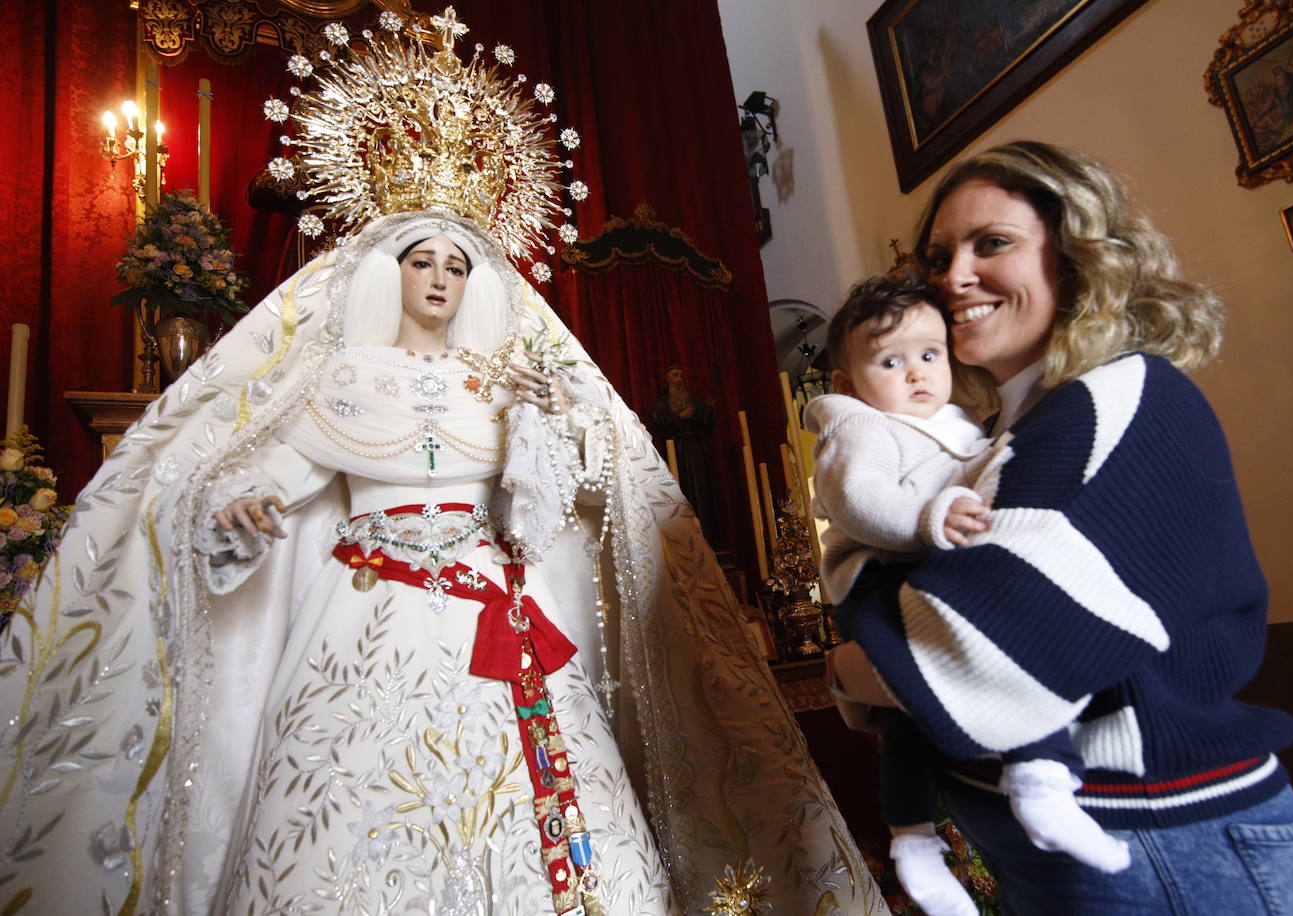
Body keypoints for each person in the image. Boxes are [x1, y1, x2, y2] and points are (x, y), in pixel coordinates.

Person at [0, 13, 890, 916]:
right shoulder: (342, 379)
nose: (438, 278)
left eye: (457, 265)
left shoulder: (509, 381)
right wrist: (242, 506)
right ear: (387, 272)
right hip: (365, 610)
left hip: (495, 605)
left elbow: (546, 518)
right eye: (421, 260)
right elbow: (276, 480)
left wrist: (545, 425)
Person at [827, 140, 1293, 915]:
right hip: (1095, 849)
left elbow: (969, 650)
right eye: (938, 255)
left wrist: (846, 664)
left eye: (992, 243)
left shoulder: (1117, 398)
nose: (952, 277)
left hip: (1162, 839)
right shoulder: (1013, 428)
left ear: (1080, 256)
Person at [805, 273, 1128, 916]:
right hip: (877, 573)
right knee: (975, 654)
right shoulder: (857, 425)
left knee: (907, 723)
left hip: (919, 561)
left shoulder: (952, 423)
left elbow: (979, 473)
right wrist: (930, 518)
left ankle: (929, 835)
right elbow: (859, 501)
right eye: (891, 361)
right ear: (847, 384)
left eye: (930, 355)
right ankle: (962, 819)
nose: (917, 374)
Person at [649, 366, 718, 544]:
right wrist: (680, 417)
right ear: (667, 379)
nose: (679, 379)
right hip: (677, 451)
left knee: (701, 491)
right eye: (675, 375)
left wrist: (709, 408)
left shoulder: (691, 401)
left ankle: (708, 534)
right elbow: (660, 425)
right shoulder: (663, 405)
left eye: (681, 375)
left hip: (696, 451)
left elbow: (706, 424)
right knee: (684, 489)